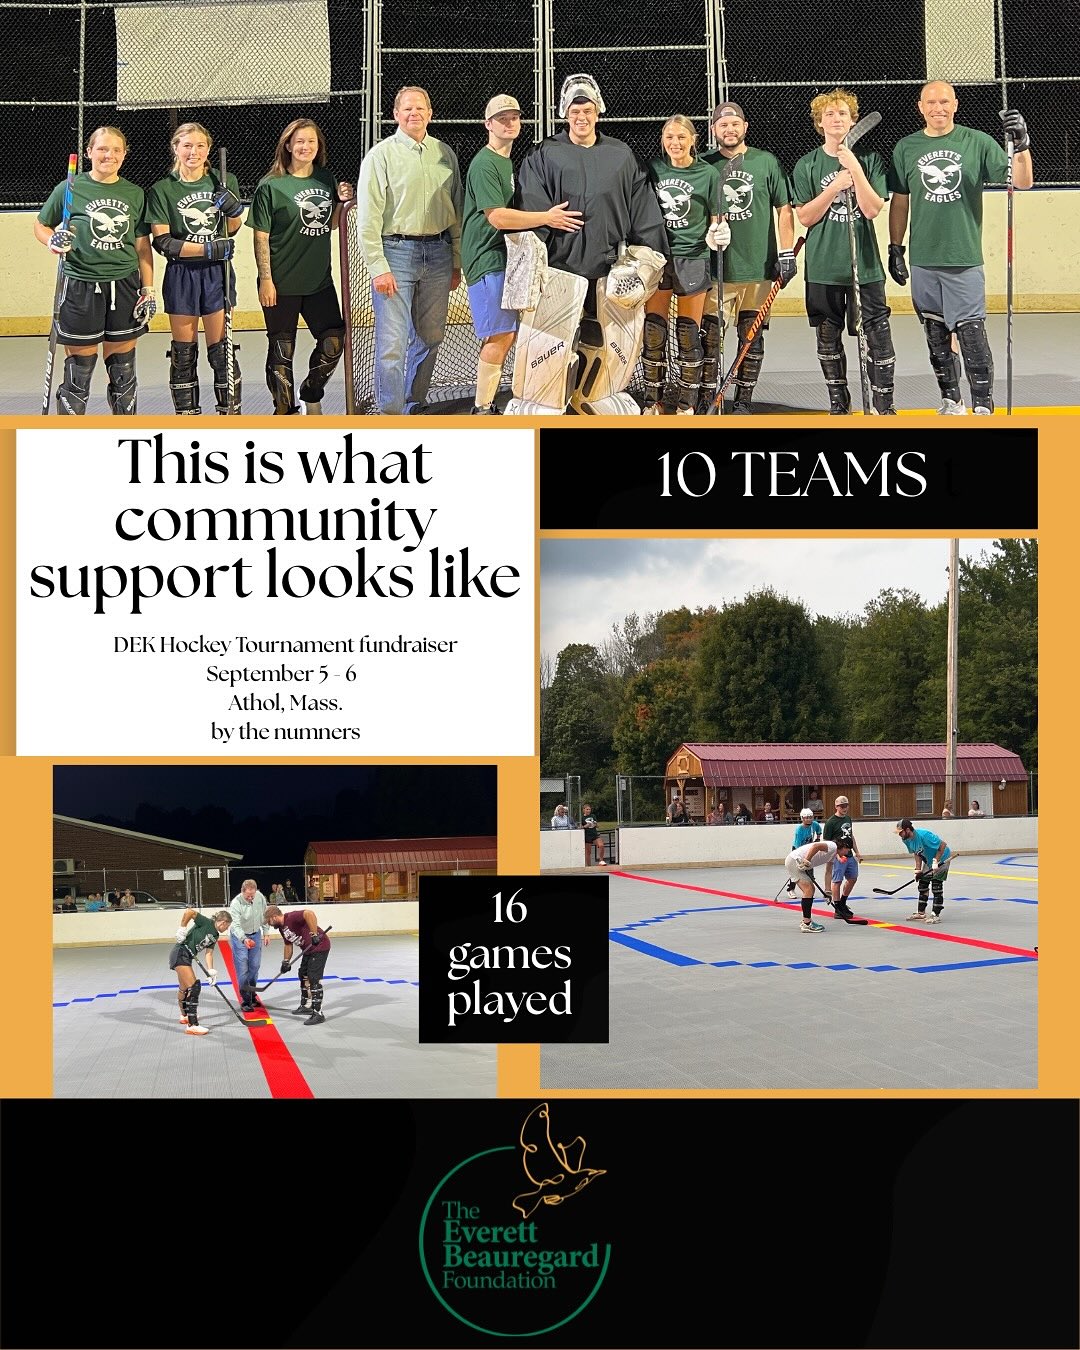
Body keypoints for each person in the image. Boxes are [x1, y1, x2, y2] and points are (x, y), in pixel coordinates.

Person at [508, 73, 669, 415]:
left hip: (608, 273)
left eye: (588, 110)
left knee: (611, 347)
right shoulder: (544, 153)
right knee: (548, 346)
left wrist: (645, 258)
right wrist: (534, 251)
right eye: (575, 110)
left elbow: (643, 210)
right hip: (559, 271)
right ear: (565, 113)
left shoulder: (621, 155)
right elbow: (530, 207)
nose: (581, 117)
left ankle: (598, 397)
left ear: (598, 112)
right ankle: (540, 403)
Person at [887, 81, 1033, 415]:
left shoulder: (976, 142)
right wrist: (896, 247)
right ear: (920, 107)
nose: (938, 108)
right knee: (935, 333)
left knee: (970, 332)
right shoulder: (906, 147)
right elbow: (900, 200)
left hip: (963, 256)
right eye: (931, 102)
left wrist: (1022, 145)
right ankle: (951, 399)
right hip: (924, 258)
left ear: (955, 104)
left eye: (944, 101)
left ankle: (983, 404)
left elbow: (1021, 181)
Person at [462, 93, 583, 415]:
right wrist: (547, 217)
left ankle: (487, 400)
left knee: (503, 334)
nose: (509, 123)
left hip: (502, 258)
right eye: (502, 118)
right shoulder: (486, 163)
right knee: (501, 335)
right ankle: (482, 407)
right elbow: (497, 217)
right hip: (485, 258)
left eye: (514, 117)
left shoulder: (505, 161)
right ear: (488, 124)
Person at [34, 125, 156, 415]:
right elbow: (41, 225)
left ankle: (123, 436)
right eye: (102, 149)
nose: (109, 155)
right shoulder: (70, 188)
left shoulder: (134, 193)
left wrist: (148, 288)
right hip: (80, 284)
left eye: (116, 150)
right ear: (89, 152)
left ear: (125, 154)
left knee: (123, 370)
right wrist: (52, 239)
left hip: (124, 285)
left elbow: (141, 245)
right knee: (80, 369)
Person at [357, 86, 463, 414]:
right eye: (407, 109)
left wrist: (456, 260)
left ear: (430, 114)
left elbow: (456, 210)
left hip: (439, 254)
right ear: (395, 114)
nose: (414, 113)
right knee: (392, 344)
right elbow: (368, 218)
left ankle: (413, 404)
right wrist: (379, 266)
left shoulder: (445, 154)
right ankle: (390, 414)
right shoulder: (380, 156)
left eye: (420, 108)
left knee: (430, 338)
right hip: (396, 255)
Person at [790, 88, 896, 415]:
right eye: (829, 115)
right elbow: (805, 216)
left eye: (843, 114)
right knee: (827, 339)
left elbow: (872, 209)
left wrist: (856, 170)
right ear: (819, 123)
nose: (837, 119)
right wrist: (834, 187)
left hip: (864, 267)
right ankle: (839, 403)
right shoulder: (807, 164)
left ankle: (882, 405)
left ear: (852, 121)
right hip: (824, 267)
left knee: (877, 337)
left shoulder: (870, 159)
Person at [249, 118, 353, 415]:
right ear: (288, 145)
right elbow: (261, 236)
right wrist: (265, 280)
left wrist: (341, 202)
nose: (305, 146)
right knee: (282, 351)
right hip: (281, 283)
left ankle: (311, 393)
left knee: (333, 341)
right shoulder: (271, 186)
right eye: (299, 141)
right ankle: (285, 412)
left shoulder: (324, 178)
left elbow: (331, 224)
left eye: (311, 141)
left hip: (318, 281)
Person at [699, 102, 796, 414]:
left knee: (750, 338)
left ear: (745, 126)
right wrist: (708, 235)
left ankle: (742, 400)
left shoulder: (765, 162)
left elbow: (784, 207)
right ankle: (708, 397)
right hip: (718, 272)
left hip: (758, 268)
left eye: (735, 123)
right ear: (714, 130)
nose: (729, 129)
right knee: (710, 340)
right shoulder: (704, 165)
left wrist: (785, 252)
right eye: (722, 125)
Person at [146, 121, 244, 415]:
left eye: (200, 145)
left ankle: (230, 414)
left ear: (208, 149)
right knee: (184, 353)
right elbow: (163, 241)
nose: (194, 152)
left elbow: (232, 229)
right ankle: (187, 417)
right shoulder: (162, 189)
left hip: (217, 274)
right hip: (182, 275)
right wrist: (206, 248)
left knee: (221, 351)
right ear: (175, 148)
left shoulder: (224, 181)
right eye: (187, 145)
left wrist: (235, 210)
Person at [642, 115, 728, 415]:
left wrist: (719, 230)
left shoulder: (708, 174)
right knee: (654, 332)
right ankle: (653, 399)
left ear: (693, 139)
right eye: (669, 137)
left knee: (688, 331)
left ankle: (686, 403)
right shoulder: (653, 169)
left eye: (681, 137)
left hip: (693, 256)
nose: (675, 143)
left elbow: (717, 217)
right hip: (658, 257)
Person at [169, 909, 232, 1035]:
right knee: (194, 986)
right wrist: (182, 928)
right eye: (227, 926)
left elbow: (209, 954)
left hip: (187, 957)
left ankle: (184, 1016)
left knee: (184, 988)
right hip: (180, 953)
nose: (227, 929)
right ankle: (192, 1025)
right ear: (223, 922)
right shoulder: (206, 923)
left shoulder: (215, 935)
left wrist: (211, 971)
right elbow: (189, 912)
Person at [265, 904, 332, 1025]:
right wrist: (286, 961)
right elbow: (288, 945)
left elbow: (309, 913)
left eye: (269, 921)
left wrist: (314, 934)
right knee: (303, 974)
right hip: (308, 949)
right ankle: (306, 1006)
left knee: (313, 978)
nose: (269, 924)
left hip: (320, 946)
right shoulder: (282, 928)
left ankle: (318, 1013)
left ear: (274, 917)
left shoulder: (291, 917)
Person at [784, 837, 851, 933]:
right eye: (847, 851)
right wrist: (807, 860)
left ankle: (806, 921)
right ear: (844, 846)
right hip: (795, 861)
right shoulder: (832, 846)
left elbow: (828, 871)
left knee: (810, 889)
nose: (846, 854)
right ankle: (806, 923)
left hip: (798, 862)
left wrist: (828, 891)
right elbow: (816, 846)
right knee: (809, 890)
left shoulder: (833, 854)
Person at [896, 817, 953, 923]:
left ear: (907, 830)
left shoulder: (924, 835)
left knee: (936, 885)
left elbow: (943, 845)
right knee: (923, 884)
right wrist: (918, 870)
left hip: (942, 857)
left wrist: (936, 861)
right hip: (928, 860)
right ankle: (921, 913)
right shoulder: (906, 840)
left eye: (901, 832)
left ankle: (935, 914)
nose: (899, 835)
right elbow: (917, 853)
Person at [228, 878, 271, 1012]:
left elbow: (264, 915)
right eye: (248, 896)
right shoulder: (236, 903)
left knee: (255, 965)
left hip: (256, 934)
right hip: (239, 937)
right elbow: (235, 925)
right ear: (242, 892)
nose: (251, 898)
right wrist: (243, 939)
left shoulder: (259, 897)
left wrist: (266, 932)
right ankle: (246, 999)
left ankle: (252, 993)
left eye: (253, 895)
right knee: (242, 968)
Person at [822, 794, 862, 899]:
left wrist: (857, 852)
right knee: (837, 881)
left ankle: (843, 901)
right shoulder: (831, 822)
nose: (844, 808)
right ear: (836, 807)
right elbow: (827, 842)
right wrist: (836, 856)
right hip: (837, 856)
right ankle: (837, 904)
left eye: (846, 806)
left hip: (849, 854)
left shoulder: (848, 819)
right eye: (841, 806)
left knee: (853, 878)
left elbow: (850, 836)